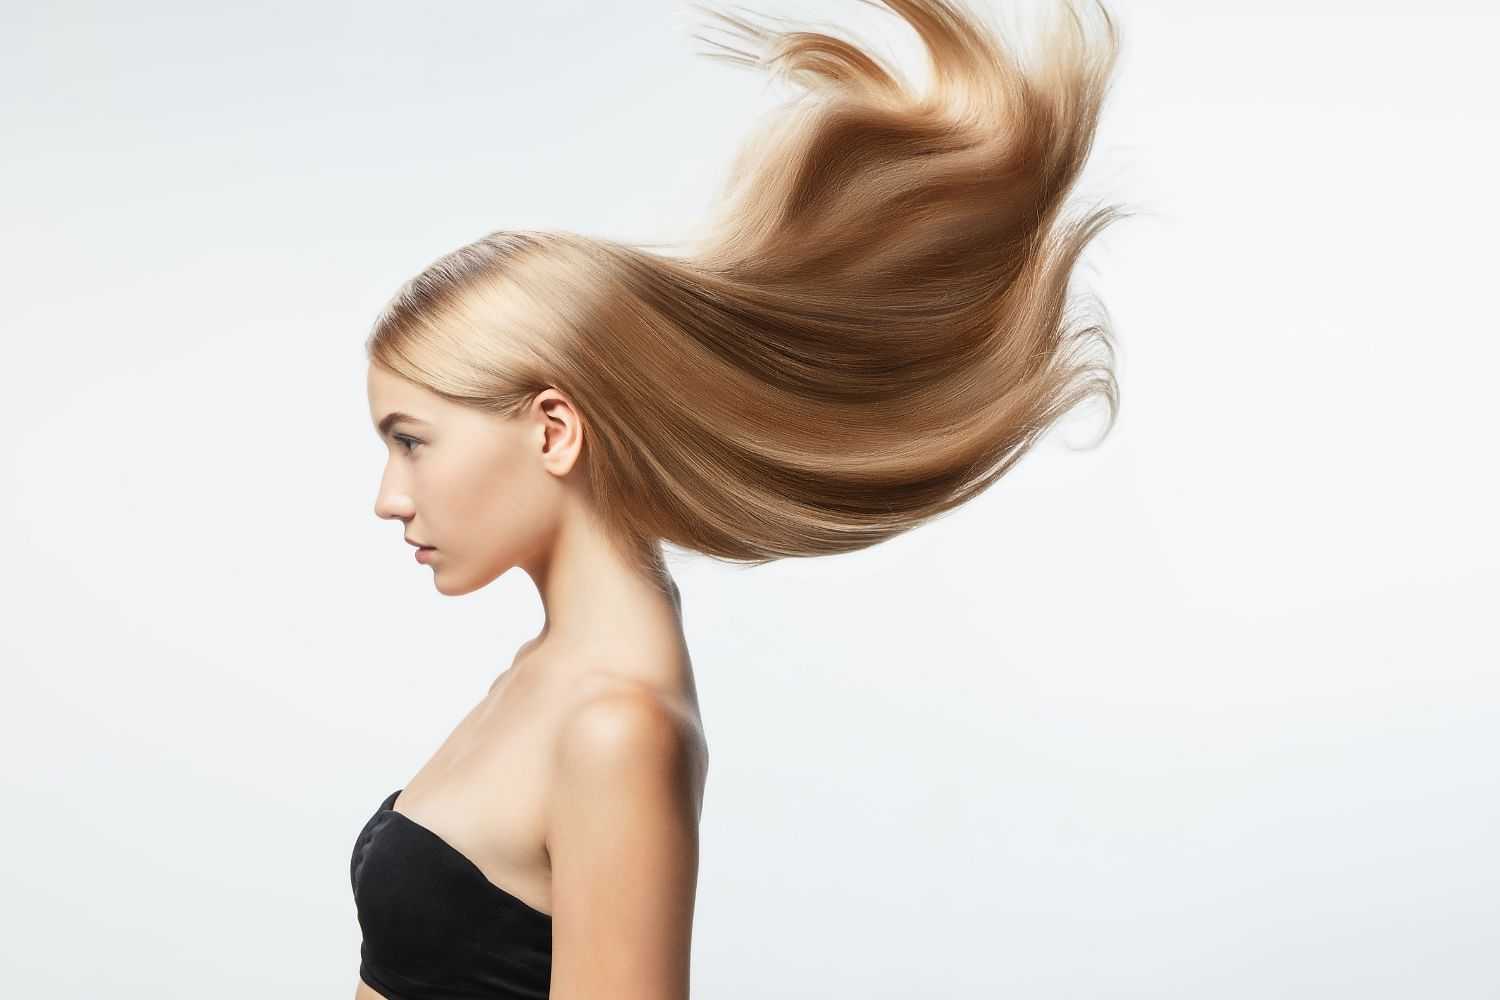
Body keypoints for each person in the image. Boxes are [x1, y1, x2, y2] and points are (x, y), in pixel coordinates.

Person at [350, 0, 1128, 997]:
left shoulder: (615, 728)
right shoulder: (553, 675)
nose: (387, 496)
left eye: (412, 444)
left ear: (553, 429)